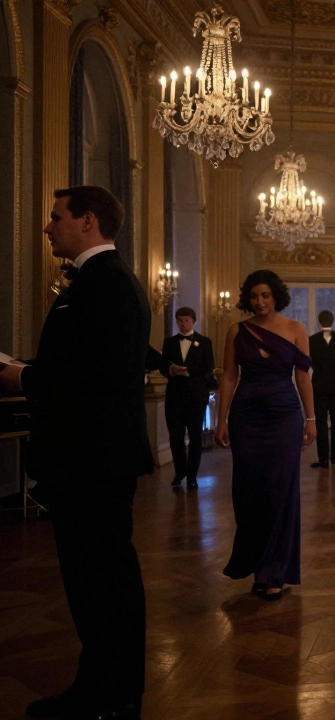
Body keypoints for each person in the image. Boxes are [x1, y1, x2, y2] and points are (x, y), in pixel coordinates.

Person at [0, 186, 151, 720]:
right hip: (91, 458)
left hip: (94, 460)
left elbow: (99, 376)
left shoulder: (106, 283)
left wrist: (23, 377)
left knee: (102, 582)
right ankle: (102, 687)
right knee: (94, 582)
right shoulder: (99, 280)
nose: (48, 227)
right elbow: (84, 363)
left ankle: (112, 696)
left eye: (55, 216)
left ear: (87, 221)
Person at [214, 270, 316, 601]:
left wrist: (311, 419)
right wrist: (221, 419)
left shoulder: (296, 329)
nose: (259, 302)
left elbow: (303, 378)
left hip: (284, 416)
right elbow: (229, 376)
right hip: (246, 417)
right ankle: (259, 568)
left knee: (280, 490)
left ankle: (276, 571)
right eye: (254, 296)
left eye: (265, 295)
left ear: (276, 297)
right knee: (250, 492)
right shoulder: (236, 330)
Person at [147, 306, 216, 489]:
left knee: (195, 436)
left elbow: (209, 367)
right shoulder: (169, 342)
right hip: (175, 395)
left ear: (193, 321)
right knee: (176, 436)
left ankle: (192, 476)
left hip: (196, 395)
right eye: (180, 320)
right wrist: (171, 369)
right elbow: (163, 365)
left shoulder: (204, 342)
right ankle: (180, 472)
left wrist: (188, 370)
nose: (183, 324)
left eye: (186, 320)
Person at [309, 309, 335, 469]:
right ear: (333, 321)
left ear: (319, 321)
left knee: (321, 422)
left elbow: (309, 361)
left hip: (318, 385)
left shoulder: (312, 340)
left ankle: (323, 459)